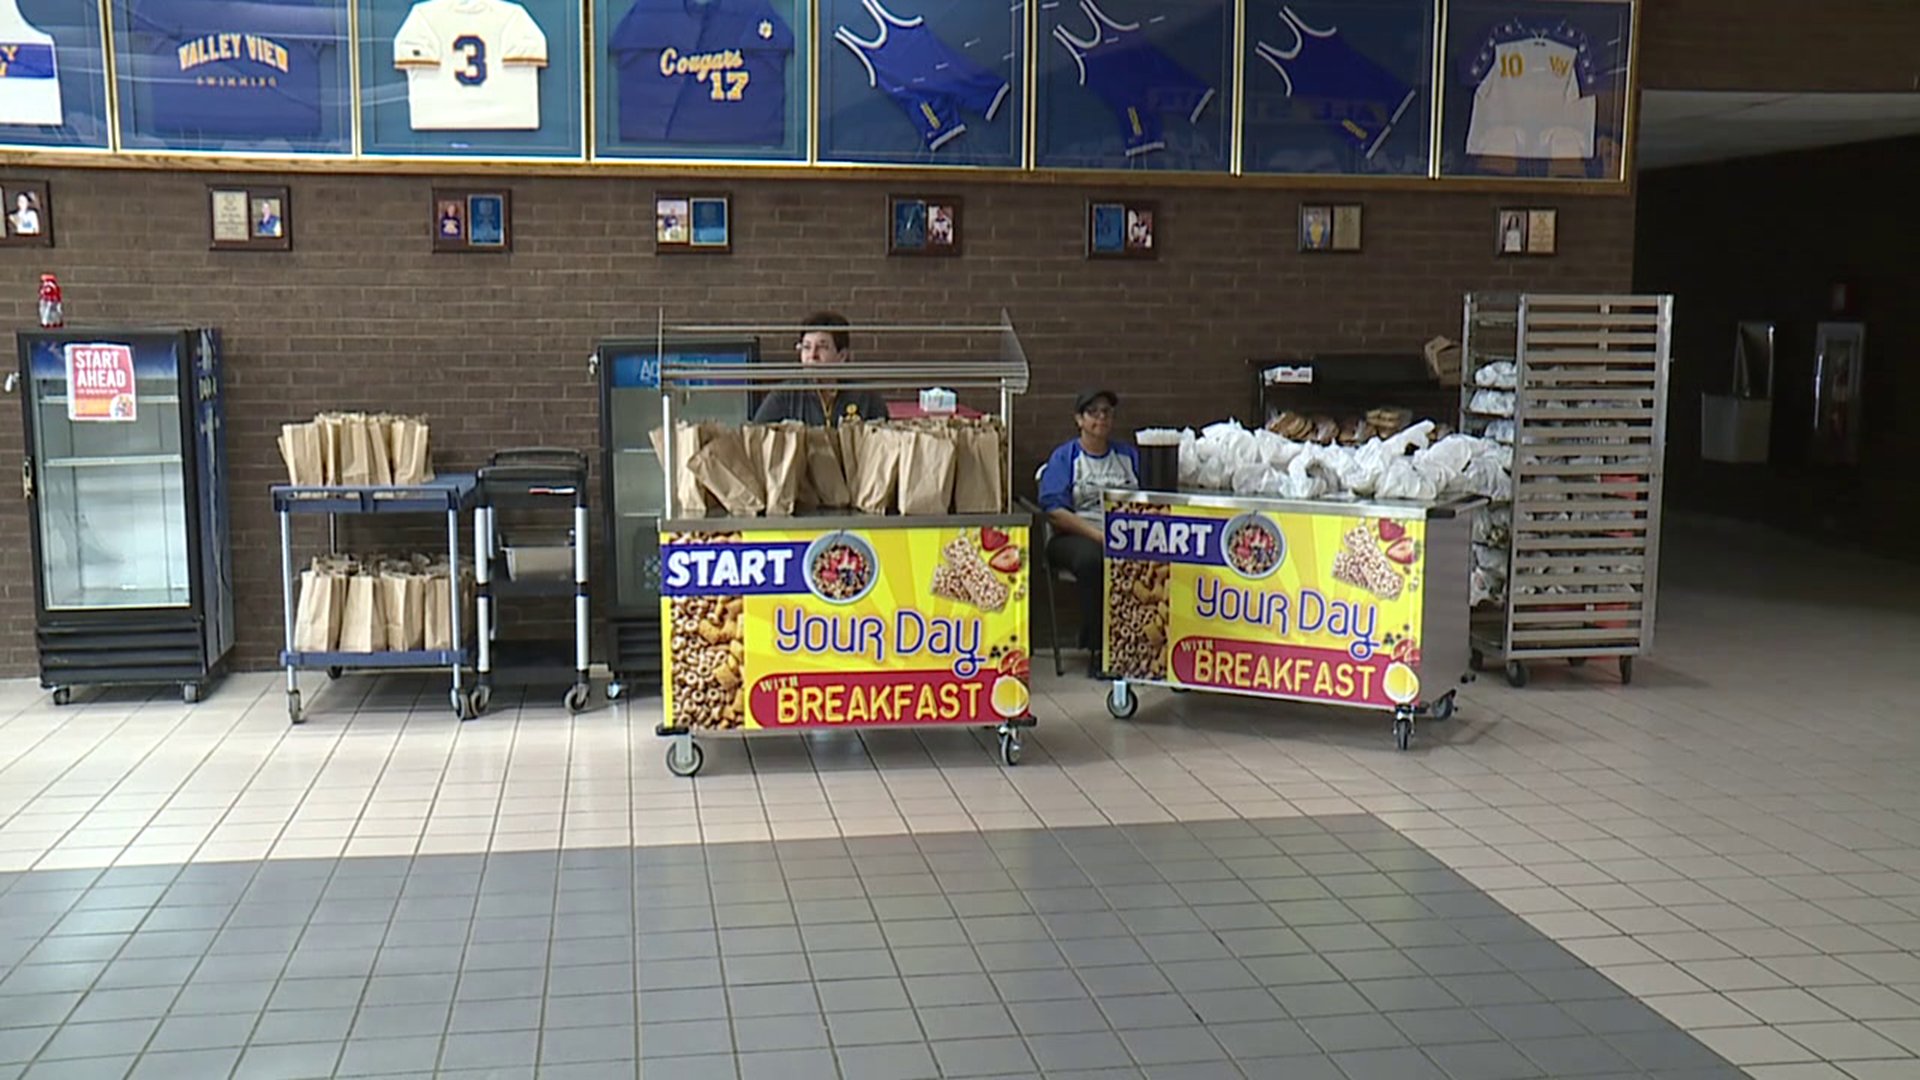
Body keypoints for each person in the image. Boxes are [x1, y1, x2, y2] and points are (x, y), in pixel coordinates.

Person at [1038, 389, 1139, 677]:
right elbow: (1055, 512)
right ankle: (1099, 652)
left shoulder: (1127, 456)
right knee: (1095, 561)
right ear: (1079, 420)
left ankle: (1144, 647)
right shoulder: (1065, 457)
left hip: (1126, 533)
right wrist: (1099, 537)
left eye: (1107, 412)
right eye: (1093, 412)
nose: (1101, 418)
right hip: (1075, 535)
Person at [751, 311, 890, 426]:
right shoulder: (784, 397)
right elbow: (757, 439)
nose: (812, 355)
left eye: (822, 347)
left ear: (842, 356)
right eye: (806, 347)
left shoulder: (867, 398)